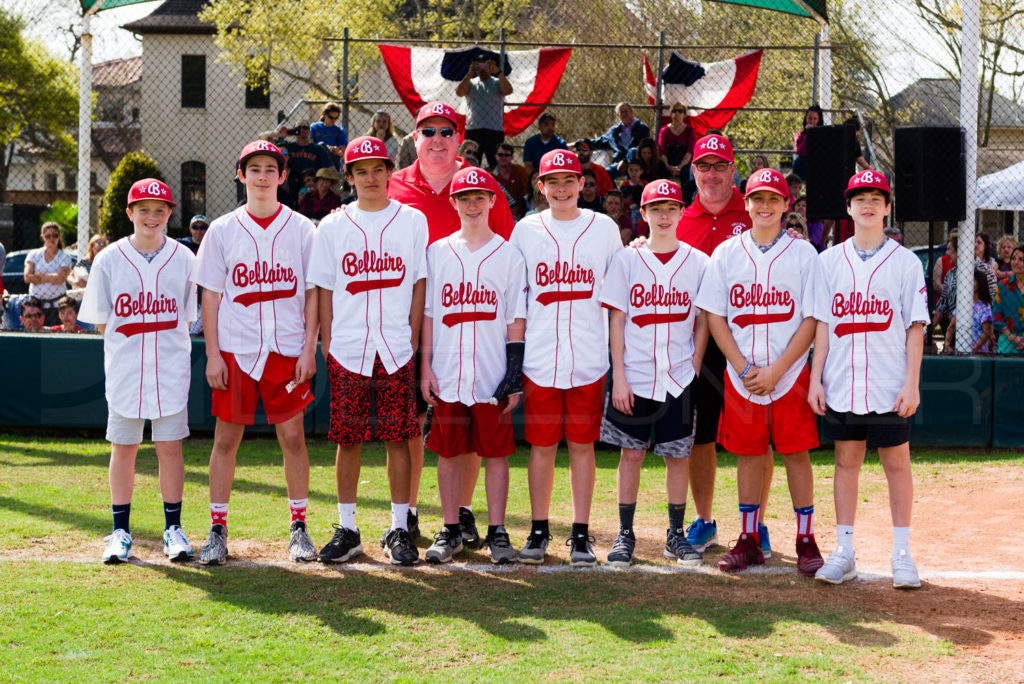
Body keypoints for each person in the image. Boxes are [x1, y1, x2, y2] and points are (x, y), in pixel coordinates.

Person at [388, 101, 515, 547]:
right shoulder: (393, 187)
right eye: (429, 131)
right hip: (402, 326)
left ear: (459, 138)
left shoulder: (482, 188)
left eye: (446, 130)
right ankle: (406, 516)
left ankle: (460, 513)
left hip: (469, 330)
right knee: (408, 426)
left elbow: (509, 255)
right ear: (415, 138)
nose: (437, 139)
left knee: (467, 425)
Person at [195, 140, 319, 565]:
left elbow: (312, 294)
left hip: (285, 348)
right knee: (226, 438)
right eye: (255, 168)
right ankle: (217, 529)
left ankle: (299, 527)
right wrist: (213, 354)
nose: (263, 175)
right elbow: (209, 297)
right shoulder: (223, 230)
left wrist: (309, 349)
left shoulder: (303, 228)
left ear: (283, 176)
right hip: (236, 348)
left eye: (271, 168)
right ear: (241, 174)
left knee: (293, 437)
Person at [697, 168, 824, 577]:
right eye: (758, 198)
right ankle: (748, 538)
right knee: (748, 456)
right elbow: (716, 315)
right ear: (746, 203)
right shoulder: (727, 254)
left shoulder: (804, 255)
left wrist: (778, 369)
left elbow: (811, 318)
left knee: (795, 455)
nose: (766, 206)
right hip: (743, 374)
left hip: (789, 373)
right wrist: (743, 366)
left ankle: (806, 539)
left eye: (774, 198)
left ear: (787, 205)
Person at [308, 136, 428, 566]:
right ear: (350, 177)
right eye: (362, 170)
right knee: (348, 438)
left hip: (395, 345)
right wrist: (325, 342)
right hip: (348, 345)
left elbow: (418, 282)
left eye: (378, 168)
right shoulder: (334, 225)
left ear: (390, 171)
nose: (371, 177)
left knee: (400, 437)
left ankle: (399, 527)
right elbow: (323, 287)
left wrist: (412, 338)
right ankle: (348, 527)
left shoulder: (412, 221)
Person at [809, 169, 929, 590]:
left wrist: (911, 382)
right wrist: (815, 379)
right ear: (848, 207)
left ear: (887, 207)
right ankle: (845, 551)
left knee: (897, 463)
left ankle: (902, 553)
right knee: (846, 462)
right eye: (860, 197)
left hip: (887, 381)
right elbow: (822, 324)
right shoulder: (827, 261)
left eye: (876, 197)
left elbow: (916, 328)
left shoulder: (906, 262)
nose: (868, 203)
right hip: (842, 380)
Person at [509, 149, 621, 566]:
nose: (561, 187)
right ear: (540, 186)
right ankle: (538, 531)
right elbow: (516, 300)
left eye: (568, 180)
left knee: (581, 447)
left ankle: (580, 533)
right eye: (552, 181)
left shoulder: (604, 228)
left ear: (582, 184)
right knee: (541, 448)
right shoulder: (525, 231)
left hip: (588, 357)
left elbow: (619, 289)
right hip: (539, 357)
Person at [78, 178, 198, 564]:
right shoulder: (109, 259)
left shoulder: (184, 259)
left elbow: (187, 317)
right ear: (129, 213)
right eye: (143, 209)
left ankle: (173, 529)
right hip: (127, 370)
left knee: (170, 448)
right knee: (124, 449)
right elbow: (100, 321)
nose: (152, 216)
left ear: (169, 215)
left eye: (160, 210)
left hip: (170, 369)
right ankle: (120, 532)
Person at [420, 167, 527, 564]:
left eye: (480, 197)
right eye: (464, 197)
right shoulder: (438, 252)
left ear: (493, 201)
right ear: (453, 203)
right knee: (448, 453)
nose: (472, 204)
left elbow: (516, 318)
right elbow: (429, 315)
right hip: (448, 372)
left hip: (491, 372)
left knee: (496, 453)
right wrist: (425, 367)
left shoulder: (509, 254)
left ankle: (498, 532)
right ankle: (450, 530)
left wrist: (513, 374)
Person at [600, 180, 708, 568]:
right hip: (637, 375)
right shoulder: (627, 260)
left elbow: (704, 320)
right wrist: (620, 377)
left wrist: (694, 365)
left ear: (682, 212)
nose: (664, 216)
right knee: (631, 454)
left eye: (671, 208)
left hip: (678, 376)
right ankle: (625, 534)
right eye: (656, 208)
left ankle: (675, 535)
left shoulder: (698, 262)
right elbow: (617, 319)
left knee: (677, 457)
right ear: (642, 214)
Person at [673, 133, 766, 556]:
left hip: (750, 341)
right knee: (701, 434)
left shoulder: (754, 211)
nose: (711, 174)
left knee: (758, 436)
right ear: (693, 171)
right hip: (698, 343)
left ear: (733, 170)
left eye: (720, 166)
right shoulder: (677, 218)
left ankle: (756, 524)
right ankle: (705, 520)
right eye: (703, 166)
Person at [456, 58, 513, 169]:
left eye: (486, 66)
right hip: (474, 129)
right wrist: (470, 74)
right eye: (480, 66)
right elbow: (459, 93)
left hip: (494, 130)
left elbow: (508, 90)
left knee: (495, 164)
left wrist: (498, 72)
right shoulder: (471, 83)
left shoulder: (497, 82)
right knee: (471, 162)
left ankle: (496, 185)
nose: (483, 69)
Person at [24, 222, 72, 326]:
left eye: (55, 235)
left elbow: (60, 279)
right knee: (35, 334)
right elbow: (27, 277)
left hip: (57, 306)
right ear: (43, 237)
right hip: (36, 306)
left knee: (56, 336)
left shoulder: (64, 257)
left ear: (59, 237)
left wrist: (40, 275)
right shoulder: (34, 254)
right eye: (48, 236)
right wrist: (52, 277)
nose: (52, 238)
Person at [946, 268, 995, 354]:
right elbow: (952, 326)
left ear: (980, 283)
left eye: (973, 280)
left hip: (979, 353)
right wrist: (947, 344)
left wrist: (974, 349)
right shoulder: (963, 303)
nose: (968, 283)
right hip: (960, 350)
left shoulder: (984, 306)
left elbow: (987, 331)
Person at [590, 102, 651, 166]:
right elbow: (601, 140)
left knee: (633, 151)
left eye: (626, 111)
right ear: (618, 115)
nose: (624, 114)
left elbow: (643, 148)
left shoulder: (642, 128)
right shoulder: (614, 131)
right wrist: (584, 143)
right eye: (622, 112)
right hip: (617, 163)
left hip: (636, 163)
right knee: (606, 173)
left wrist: (624, 161)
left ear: (632, 112)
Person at [994, 245, 1024, 354]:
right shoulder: (1001, 286)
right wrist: (1012, 338)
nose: (1016, 262)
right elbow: (997, 317)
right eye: (1013, 258)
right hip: (1007, 343)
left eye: (1021, 259)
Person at [491, 142, 531, 219]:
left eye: (506, 155)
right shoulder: (491, 176)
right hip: (501, 212)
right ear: (495, 156)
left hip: (522, 210)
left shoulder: (520, 171)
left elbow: (528, 192)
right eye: (500, 155)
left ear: (512, 157)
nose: (503, 157)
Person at [658, 103, 696, 181]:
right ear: (671, 114)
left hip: (684, 163)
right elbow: (662, 151)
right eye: (674, 111)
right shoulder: (664, 131)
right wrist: (668, 166)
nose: (677, 113)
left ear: (684, 115)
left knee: (688, 173)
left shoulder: (689, 130)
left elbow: (689, 152)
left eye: (680, 111)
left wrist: (679, 167)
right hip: (668, 163)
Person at [310, 102, 348, 169]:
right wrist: (327, 148)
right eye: (331, 117)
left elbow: (344, 153)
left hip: (332, 165)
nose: (333, 120)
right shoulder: (315, 127)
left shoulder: (340, 131)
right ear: (324, 114)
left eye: (336, 118)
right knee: (321, 145)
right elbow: (310, 146)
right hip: (316, 162)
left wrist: (338, 152)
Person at [792, 105, 822, 181]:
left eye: (815, 119)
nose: (812, 121)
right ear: (806, 118)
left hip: (818, 161)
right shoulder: (800, 135)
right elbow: (801, 151)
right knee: (799, 161)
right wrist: (808, 134)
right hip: (804, 161)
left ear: (819, 120)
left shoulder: (822, 133)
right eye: (809, 118)